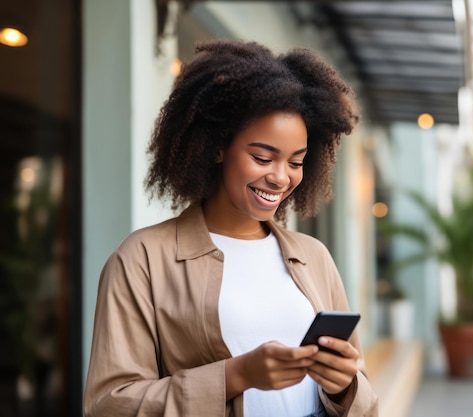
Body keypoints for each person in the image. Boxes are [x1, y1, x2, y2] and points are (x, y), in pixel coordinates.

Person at [83, 39, 378, 417]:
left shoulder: (313, 256)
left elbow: (364, 395)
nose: (280, 177)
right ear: (219, 145)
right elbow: (110, 405)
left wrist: (345, 386)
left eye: (296, 162)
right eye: (262, 157)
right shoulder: (142, 259)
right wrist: (235, 375)